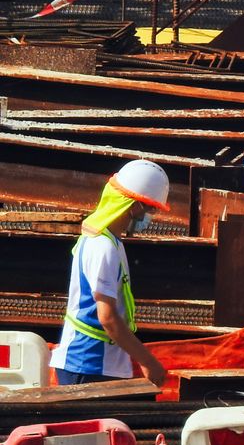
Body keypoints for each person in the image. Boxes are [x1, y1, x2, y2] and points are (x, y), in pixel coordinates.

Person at [50, 159, 170, 386]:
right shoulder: (103, 247)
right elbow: (107, 317)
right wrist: (148, 361)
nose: (151, 217)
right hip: (87, 365)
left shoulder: (110, 241)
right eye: (150, 208)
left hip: (98, 365)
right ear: (134, 206)